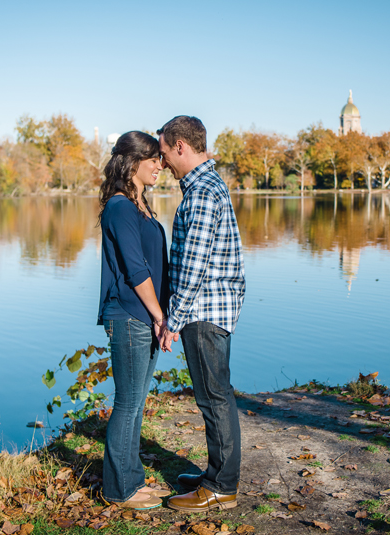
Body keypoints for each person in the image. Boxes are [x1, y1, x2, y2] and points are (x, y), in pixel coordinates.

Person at [156, 116, 246, 512]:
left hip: (205, 310)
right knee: (215, 395)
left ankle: (221, 486)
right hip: (208, 307)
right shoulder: (206, 186)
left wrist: (171, 322)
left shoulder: (203, 192)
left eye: (163, 153)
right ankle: (215, 475)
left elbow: (193, 268)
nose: (163, 164)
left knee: (214, 397)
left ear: (180, 146)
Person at [97, 131, 172, 510]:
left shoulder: (139, 205)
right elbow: (136, 269)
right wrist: (160, 316)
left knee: (137, 402)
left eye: (161, 158)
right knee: (127, 403)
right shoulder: (121, 207)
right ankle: (119, 489)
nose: (161, 165)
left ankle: (132, 479)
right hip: (129, 315)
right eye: (154, 158)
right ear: (133, 161)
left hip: (146, 316)